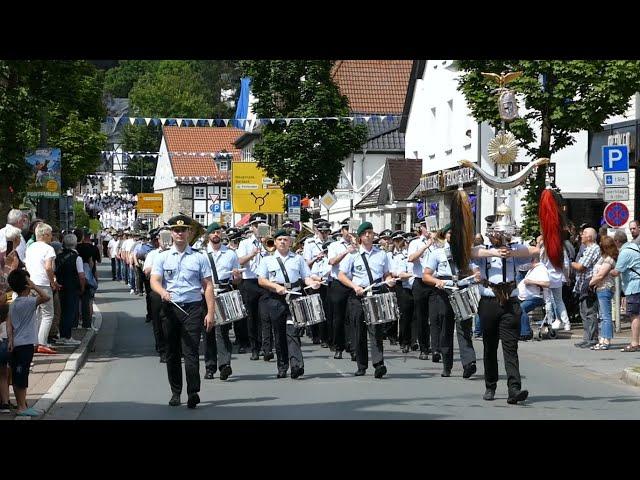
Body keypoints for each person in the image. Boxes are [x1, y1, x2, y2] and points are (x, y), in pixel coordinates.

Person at [150, 215, 215, 409]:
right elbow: (154, 280)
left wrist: (210, 312)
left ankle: (193, 391)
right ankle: (176, 392)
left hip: (193, 308)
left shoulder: (199, 257)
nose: (179, 233)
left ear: (188, 233)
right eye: (176, 230)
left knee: (191, 351)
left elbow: (208, 285)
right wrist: (162, 292)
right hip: (170, 308)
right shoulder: (162, 257)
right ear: (172, 233)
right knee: (172, 352)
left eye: (183, 230)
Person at [472, 229, 537, 404]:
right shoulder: (482, 248)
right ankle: (490, 385)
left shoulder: (514, 247)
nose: (497, 237)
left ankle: (514, 389)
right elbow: (471, 252)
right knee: (490, 346)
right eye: (494, 233)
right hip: (489, 301)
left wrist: (510, 252)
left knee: (510, 347)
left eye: (500, 233)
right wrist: (494, 252)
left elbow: (534, 250)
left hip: (510, 301)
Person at [257, 229, 321, 379]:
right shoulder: (268, 260)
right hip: (275, 298)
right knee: (279, 334)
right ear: (275, 242)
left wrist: (313, 283)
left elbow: (306, 277)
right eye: (280, 240)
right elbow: (261, 280)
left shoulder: (297, 259)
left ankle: (297, 365)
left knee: (293, 331)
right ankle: (282, 366)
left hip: (294, 296)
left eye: (285, 240)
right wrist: (276, 287)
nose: (283, 242)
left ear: (290, 242)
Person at [338, 222, 396, 378]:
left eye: (371, 232)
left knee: (376, 330)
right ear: (360, 237)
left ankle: (379, 364)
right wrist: (354, 286)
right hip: (358, 295)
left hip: (376, 293)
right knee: (359, 331)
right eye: (365, 233)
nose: (369, 235)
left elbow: (386, 274)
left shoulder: (381, 254)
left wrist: (389, 280)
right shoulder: (353, 255)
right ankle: (361, 365)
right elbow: (341, 275)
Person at [423, 224, 478, 378]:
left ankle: (469, 363)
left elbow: (474, 269)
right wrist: (436, 282)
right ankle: (447, 365)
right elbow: (426, 275)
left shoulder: (466, 253)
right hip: (444, 290)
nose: (453, 235)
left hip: (462, 288)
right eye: (450, 233)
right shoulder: (437, 253)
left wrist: (476, 274)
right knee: (445, 328)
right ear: (445, 235)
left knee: (464, 328)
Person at [6, 269, 51, 416]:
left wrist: (11, 340)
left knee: (19, 375)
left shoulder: (13, 304)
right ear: (26, 285)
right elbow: (46, 297)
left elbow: (9, 324)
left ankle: (23, 405)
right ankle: (21, 407)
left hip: (17, 343)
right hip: (25, 345)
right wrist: (34, 286)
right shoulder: (29, 302)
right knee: (21, 376)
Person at [202, 222, 241, 381]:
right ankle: (210, 367)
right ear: (208, 236)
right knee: (208, 331)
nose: (216, 235)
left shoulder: (231, 254)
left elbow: (237, 280)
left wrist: (237, 277)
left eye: (218, 232)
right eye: (213, 233)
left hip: (224, 291)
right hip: (206, 294)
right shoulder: (202, 254)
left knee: (223, 331)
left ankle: (225, 365)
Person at [237, 214, 269, 359]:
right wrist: (252, 254)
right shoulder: (244, 243)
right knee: (251, 317)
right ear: (252, 227)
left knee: (264, 316)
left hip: (264, 282)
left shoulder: (269, 241)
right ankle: (254, 348)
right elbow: (240, 261)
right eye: (256, 226)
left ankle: (266, 347)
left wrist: (266, 245)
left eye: (262, 225)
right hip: (249, 281)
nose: (259, 228)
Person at [24, 222, 60, 354]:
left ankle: (35, 341)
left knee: (36, 313)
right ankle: (41, 342)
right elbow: (48, 267)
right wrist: (52, 282)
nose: (51, 237)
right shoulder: (48, 248)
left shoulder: (30, 247)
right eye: (50, 234)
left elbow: (27, 265)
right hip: (43, 283)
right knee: (48, 314)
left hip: (32, 282)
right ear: (44, 235)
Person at [327, 220, 358, 359]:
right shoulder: (334, 245)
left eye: (351, 229)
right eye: (346, 229)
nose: (349, 232)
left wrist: (356, 246)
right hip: (338, 284)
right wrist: (347, 251)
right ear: (342, 231)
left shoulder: (358, 245)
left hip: (353, 283)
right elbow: (332, 262)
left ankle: (353, 348)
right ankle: (338, 346)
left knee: (353, 317)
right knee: (338, 317)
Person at [407, 219, 435, 360]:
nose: (429, 229)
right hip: (420, 281)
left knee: (436, 316)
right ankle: (424, 347)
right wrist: (426, 246)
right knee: (422, 316)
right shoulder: (415, 243)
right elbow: (411, 258)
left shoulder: (439, 242)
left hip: (435, 281)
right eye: (426, 226)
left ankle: (436, 348)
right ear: (422, 228)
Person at [144, 228, 171, 363]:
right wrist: (159, 261)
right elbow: (147, 272)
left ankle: (175, 347)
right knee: (158, 322)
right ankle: (162, 349)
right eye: (162, 237)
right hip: (157, 291)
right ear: (158, 240)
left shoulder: (176, 253)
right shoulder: (152, 254)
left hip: (173, 292)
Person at [571, 227, 601, 348]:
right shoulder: (587, 249)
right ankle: (587, 337)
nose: (581, 236)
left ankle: (592, 338)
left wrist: (570, 263)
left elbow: (581, 266)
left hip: (589, 285)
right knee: (584, 312)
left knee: (589, 311)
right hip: (582, 285)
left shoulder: (593, 248)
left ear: (589, 237)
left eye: (583, 234)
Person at [611, 231, 640, 352]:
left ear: (617, 241)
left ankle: (634, 343)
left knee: (635, 315)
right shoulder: (636, 248)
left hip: (634, 287)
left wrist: (608, 269)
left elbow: (617, 271)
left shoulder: (625, 252)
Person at [54, 234, 85, 346]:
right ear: (75, 243)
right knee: (70, 312)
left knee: (62, 312)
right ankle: (66, 336)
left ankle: (61, 334)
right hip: (72, 288)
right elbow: (81, 275)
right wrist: (82, 287)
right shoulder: (77, 258)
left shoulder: (58, 257)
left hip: (60, 287)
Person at [588, 235, 618, 350]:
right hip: (601, 288)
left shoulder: (609, 260)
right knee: (602, 315)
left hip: (605, 287)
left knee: (606, 316)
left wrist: (590, 283)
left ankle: (606, 340)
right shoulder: (604, 257)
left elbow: (600, 275)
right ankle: (602, 339)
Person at [516, 254, 550, 341]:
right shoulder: (532, 269)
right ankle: (519, 330)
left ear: (533, 260)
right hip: (527, 296)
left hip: (536, 297)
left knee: (520, 309)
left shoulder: (541, 269)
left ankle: (525, 333)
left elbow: (547, 283)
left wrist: (531, 282)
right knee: (514, 308)